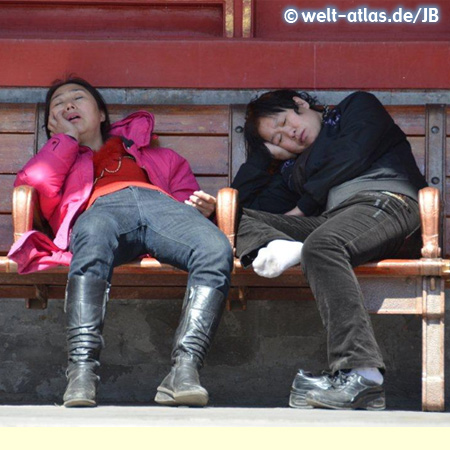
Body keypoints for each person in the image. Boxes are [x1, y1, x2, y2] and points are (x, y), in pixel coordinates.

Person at [8, 77, 233, 408]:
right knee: (92, 242)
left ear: (101, 114)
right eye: (58, 104)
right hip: (101, 211)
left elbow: (184, 200)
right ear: (51, 125)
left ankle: (184, 371)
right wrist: (66, 141)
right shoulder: (59, 160)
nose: (68, 105)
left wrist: (203, 208)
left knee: (215, 248)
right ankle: (81, 373)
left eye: (77, 98)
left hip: (160, 207)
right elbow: (36, 182)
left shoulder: (160, 157)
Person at [231, 90, 427, 410]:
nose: (289, 134)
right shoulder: (294, 169)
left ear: (300, 103)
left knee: (322, 247)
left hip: (389, 203)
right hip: (336, 223)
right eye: (279, 138)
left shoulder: (354, 108)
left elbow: (354, 154)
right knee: (239, 220)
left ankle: (363, 374)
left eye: (284, 121)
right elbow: (243, 208)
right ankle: (289, 248)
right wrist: (262, 159)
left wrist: (304, 205)